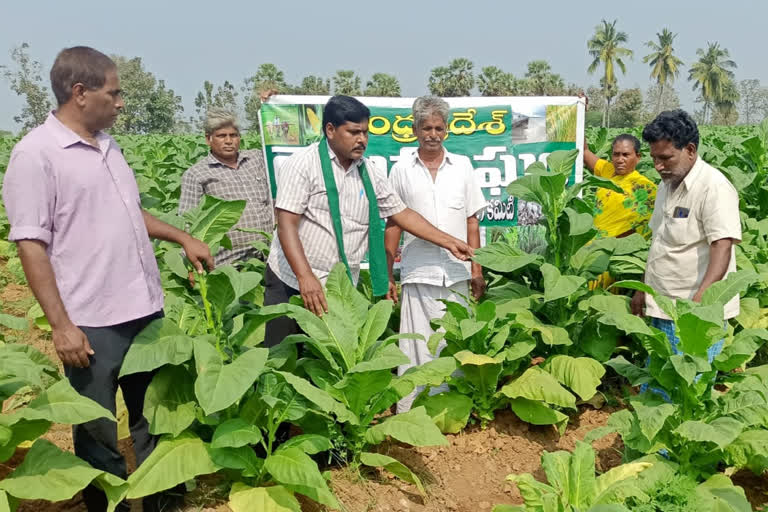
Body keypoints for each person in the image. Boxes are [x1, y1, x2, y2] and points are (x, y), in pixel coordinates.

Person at [2, 46, 213, 512]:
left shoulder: (109, 146)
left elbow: (129, 214)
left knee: (154, 415)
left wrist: (181, 237)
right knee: (97, 428)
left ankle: (163, 502)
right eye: (113, 93)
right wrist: (61, 326)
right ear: (80, 93)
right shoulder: (36, 154)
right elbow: (30, 244)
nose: (120, 103)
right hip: (91, 320)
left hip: (144, 310)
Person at [263, 95, 474, 347]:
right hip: (292, 280)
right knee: (281, 357)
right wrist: (304, 276)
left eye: (365, 132)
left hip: (336, 286)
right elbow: (287, 224)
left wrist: (450, 242)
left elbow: (402, 214)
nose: (361, 139)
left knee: (324, 362)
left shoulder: (368, 171)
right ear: (330, 130)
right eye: (353, 132)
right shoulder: (303, 165)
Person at [384, 96, 487, 413]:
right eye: (425, 127)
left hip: (456, 272)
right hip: (418, 270)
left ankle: (450, 411)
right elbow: (393, 223)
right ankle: (412, 410)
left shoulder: (463, 167)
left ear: (447, 130)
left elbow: (472, 220)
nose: (432, 134)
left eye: (438, 127)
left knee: (452, 341)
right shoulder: (401, 169)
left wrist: (477, 269)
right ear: (414, 129)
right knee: (416, 343)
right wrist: (388, 275)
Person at [631, 109, 740, 365]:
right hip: (663, 304)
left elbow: (722, 246)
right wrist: (642, 289)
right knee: (659, 382)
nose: (658, 166)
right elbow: (659, 241)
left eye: (666, 158)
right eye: (654, 158)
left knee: (687, 385)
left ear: (690, 150)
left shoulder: (714, 187)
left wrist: (703, 301)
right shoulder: (665, 186)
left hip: (692, 310)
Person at [179, 108, 274, 266]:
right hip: (230, 263)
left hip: (270, 258)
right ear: (208, 139)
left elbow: (280, 146)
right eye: (221, 136)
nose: (229, 141)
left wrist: (270, 106)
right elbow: (188, 221)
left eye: (233, 135)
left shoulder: (257, 158)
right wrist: (188, 262)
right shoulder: (196, 174)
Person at [583, 133, 657, 239]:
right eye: (616, 154)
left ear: (638, 157)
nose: (620, 160)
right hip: (591, 243)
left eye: (625, 155)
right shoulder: (608, 171)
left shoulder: (646, 188)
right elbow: (585, 152)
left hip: (617, 249)